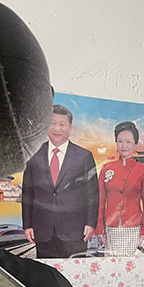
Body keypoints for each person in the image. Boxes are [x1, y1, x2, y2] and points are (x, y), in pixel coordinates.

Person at [21, 105, 99, 258]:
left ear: (70, 127)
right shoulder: (33, 154)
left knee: (75, 270)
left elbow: (92, 194)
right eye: (52, 123)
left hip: (75, 231)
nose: (57, 128)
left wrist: (91, 223)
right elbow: (28, 193)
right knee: (46, 271)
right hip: (43, 230)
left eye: (62, 124)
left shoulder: (84, 156)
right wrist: (28, 225)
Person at [96, 121, 144, 256]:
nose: (124, 145)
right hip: (110, 228)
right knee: (111, 264)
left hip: (134, 228)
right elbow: (100, 201)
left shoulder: (142, 171)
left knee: (132, 265)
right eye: (120, 141)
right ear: (116, 143)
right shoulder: (106, 168)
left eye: (128, 142)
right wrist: (99, 227)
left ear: (135, 144)